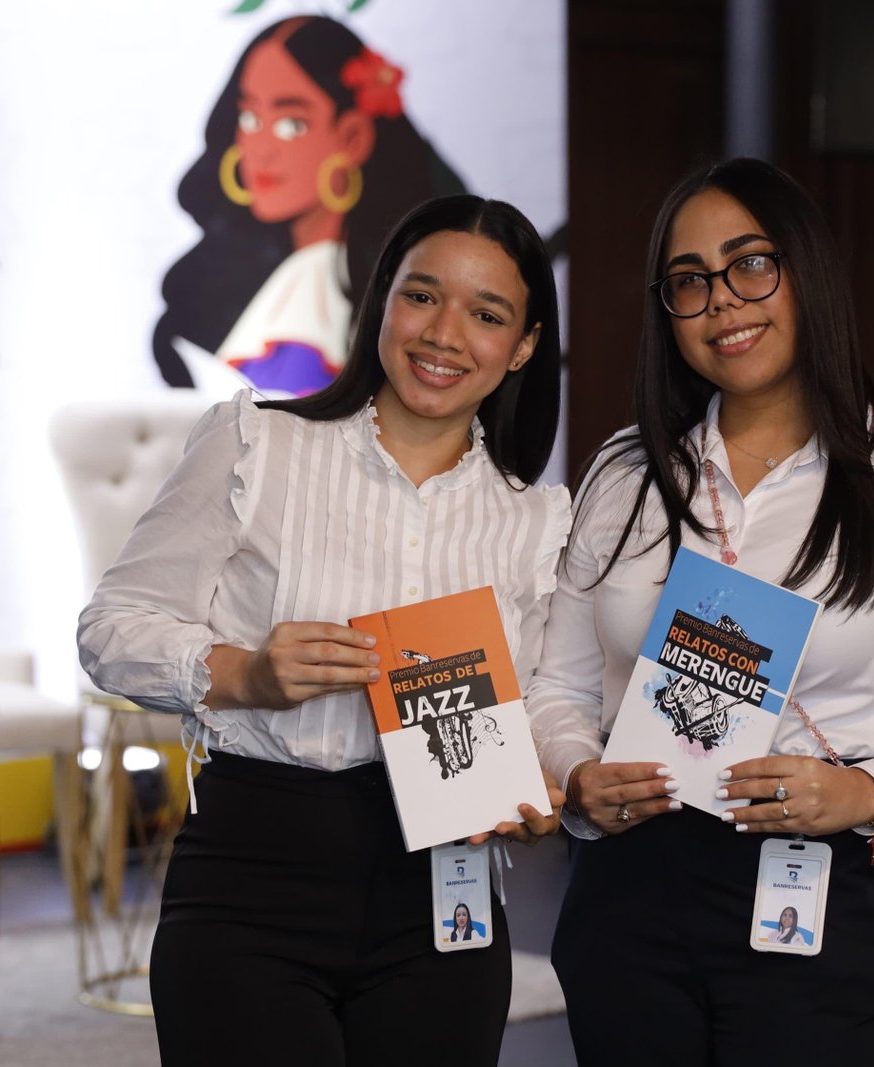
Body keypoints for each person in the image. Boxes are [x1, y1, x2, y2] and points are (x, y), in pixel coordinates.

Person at [527, 158, 874, 1065]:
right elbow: (556, 687)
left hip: (817, 892)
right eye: (690, 280)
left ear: (807, 271)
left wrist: (869, 792)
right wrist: (578, 773)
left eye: (751, 264)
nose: (723, 300)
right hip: (630, 895)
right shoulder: (626, 474)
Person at [80, 194, 567, 1066]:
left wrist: (539, 794)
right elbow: (109, 629)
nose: (444, 333)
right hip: (255, 869)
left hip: (445, 894)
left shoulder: (537, 520)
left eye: (487, 314)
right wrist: (244, 673)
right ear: (382, 299)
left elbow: (534, 713)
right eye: (423, 295)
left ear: (524, 345)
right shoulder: (256, 445)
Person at [153, 15, 464, 396]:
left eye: (291, 124)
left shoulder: (343, 288)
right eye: (250, 118)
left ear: (352, 138)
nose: (261, 150)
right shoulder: (275, 283)